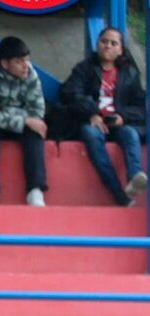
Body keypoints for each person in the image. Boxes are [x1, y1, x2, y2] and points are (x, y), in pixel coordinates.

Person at [60, 26, 147, 206]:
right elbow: (69, 93)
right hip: (91, 122)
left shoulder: (130, 73)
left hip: (118, 123)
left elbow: (140, 105)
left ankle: (134, 177)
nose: (108, 46)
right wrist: (92, 113)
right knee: (91, 135)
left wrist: (123, 117)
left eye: (113, 43)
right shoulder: (84, 68)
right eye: (104, 41)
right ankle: (118, 194)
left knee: (130, 134)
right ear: (97, 44)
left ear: (120, 50)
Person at [0, 37, 48, 208]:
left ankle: (35, 190)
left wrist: (24, 121)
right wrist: (23, 119)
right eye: (19, 62)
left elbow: (37, 111)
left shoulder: (31, 74)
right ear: (5, 64)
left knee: (35, 129)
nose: (25, 66)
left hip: (12, 122)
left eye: (27, 60)